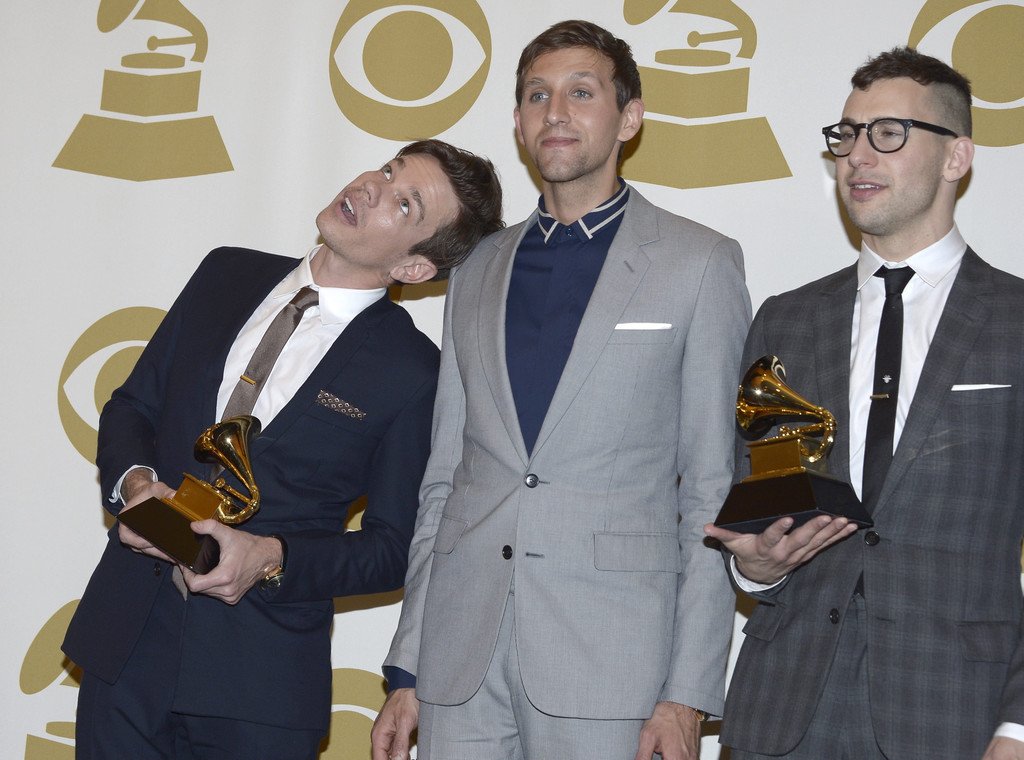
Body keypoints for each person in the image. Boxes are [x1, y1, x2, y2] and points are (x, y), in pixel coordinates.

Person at [371, 19, 751, 760]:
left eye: (582, 92)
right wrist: (409, 664)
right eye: (536, 95)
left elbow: (713, 490)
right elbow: (446, 478)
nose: (555, 112)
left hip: (613, 661)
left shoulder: (699, 263)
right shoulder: (476, 268)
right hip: (460, 662)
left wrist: (687, 693)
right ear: (518, 123)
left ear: (629, 118)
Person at [62, 138, 504, 759]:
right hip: (126, 642)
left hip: (259, 680)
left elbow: (391, 547)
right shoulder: (225, 273)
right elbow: (133, 406)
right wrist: (136, 487)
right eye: (387, 170)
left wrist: (271, 557)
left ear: (413, 268)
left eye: (405, 204)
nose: (371, 187)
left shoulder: (413, 372)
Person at [706, 47, 1024, 760]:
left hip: (954, 712)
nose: (857, 155)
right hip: (781, 709)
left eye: (889, 133)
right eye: (847, 135)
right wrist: (755, 566)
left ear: (956, 156)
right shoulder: (787, 319)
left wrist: (1019, 728)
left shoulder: (1016, 320)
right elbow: (765, 490)